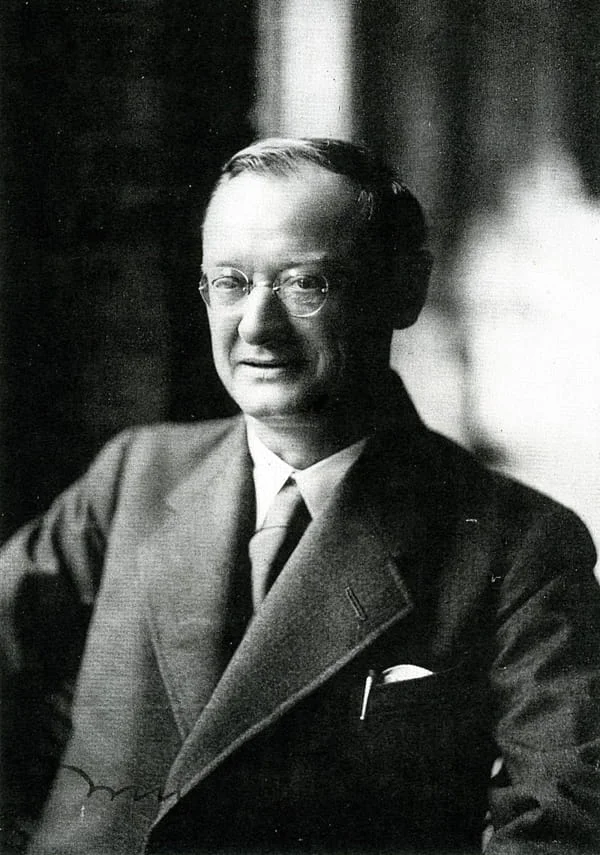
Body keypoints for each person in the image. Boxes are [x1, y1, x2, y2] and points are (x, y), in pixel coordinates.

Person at [1, 137, 599, 855]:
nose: (257, 325)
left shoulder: (519, 546)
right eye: (230, 282)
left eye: (304, 283)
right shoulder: (134, 477)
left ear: (404, 291)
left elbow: (561, 824)